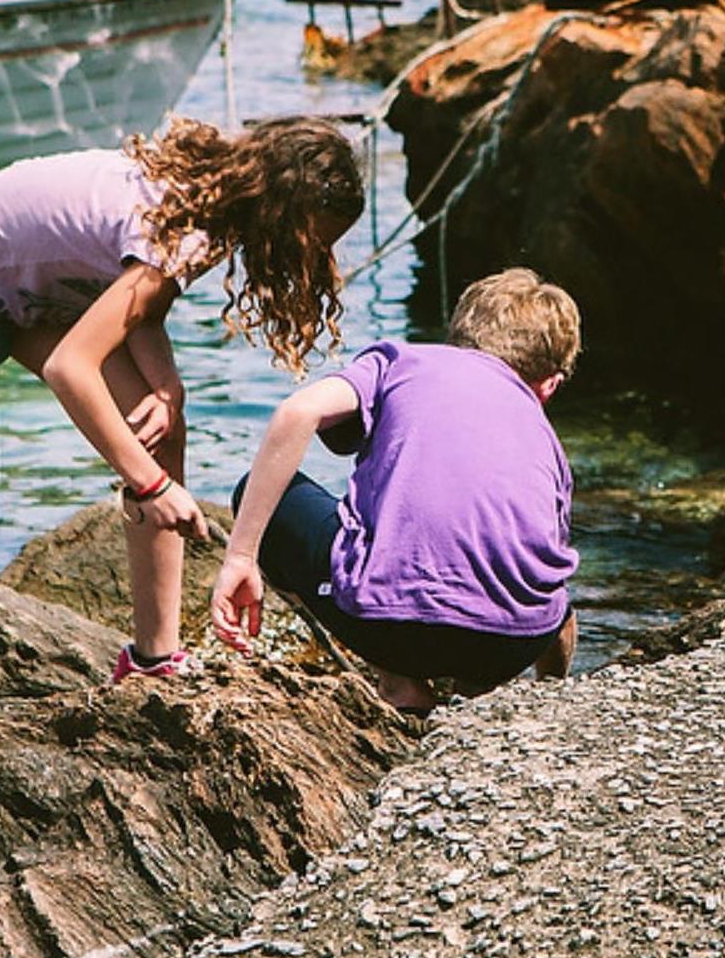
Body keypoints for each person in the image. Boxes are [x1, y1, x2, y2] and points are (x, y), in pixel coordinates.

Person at [0, 117, 364, 691]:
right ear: (281, 216)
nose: (318, 263)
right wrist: (153, 488)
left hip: (40, 294)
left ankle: (155, 657)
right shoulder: (188, 233)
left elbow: (138, 307)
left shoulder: (206, 197)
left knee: (162, 430)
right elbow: (71, 368)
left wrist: (167, 388)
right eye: (316, 244)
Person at [210, 268, 582, 713]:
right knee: (556, 602)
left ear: (457, 337)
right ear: (550, 386)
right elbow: (543, 564)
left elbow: (297, 413)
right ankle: (532, 698)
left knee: (261, 490)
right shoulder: (549, 443)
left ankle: (398, 682)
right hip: (509, 647)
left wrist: (240, 557)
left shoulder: (401, 360)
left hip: (390, 632)